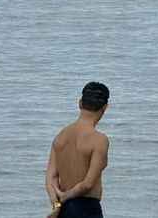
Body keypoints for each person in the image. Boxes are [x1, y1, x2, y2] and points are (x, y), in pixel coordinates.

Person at [45, 82, 111, 217]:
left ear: (80, 103)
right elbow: (87, 184)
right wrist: (65, 196)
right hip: (87, 209)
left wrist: (57, 205)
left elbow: (50, 178)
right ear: (104, 108)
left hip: (63, 210)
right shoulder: (99, 140)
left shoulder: (60, 136)